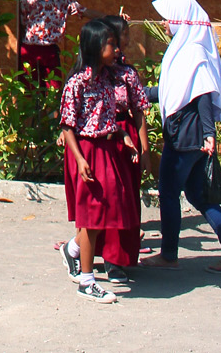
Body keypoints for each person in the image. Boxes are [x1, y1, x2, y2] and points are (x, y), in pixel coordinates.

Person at [142, 0, 221, 273]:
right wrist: (138, 93)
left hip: (186, 135)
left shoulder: (193, 52)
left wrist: (210, 134)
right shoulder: (184, 49)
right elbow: (172, 93)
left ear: (181, 19)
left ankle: (169, 253)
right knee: (199, 196)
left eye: (168, 18)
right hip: (190, 134)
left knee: (168, 191)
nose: (164, 24)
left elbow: (203, 96)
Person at [59, 18, 148, 305]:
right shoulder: (77, 83)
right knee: (91, 215)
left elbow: (109, 119)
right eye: (111, 43)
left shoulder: (111, 80)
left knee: (106, 212)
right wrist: (80, 160)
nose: (117, 47)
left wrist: (124, 136)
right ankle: (87, 281)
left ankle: (73, 251)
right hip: (87, 151)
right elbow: (67, 126)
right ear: (96, 47)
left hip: (108, 149)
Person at [93, 14, 151, 278]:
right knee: (105, 198)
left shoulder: (128, 73)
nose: (126, 40)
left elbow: (139, 111)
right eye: (122, 35)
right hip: (102, 139)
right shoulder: (92, 74)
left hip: (126, 136)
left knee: (127, 198)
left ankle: (121, 257)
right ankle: (101, 255)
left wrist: (145, 148)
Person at [19, 0, 96, 86]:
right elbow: (20, 27)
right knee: (29, 90)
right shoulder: (27, 2)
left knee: (53, 89)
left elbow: (85, 11)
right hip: (29, 51)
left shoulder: (63, 1)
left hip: (50, 52)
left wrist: (111, 17)